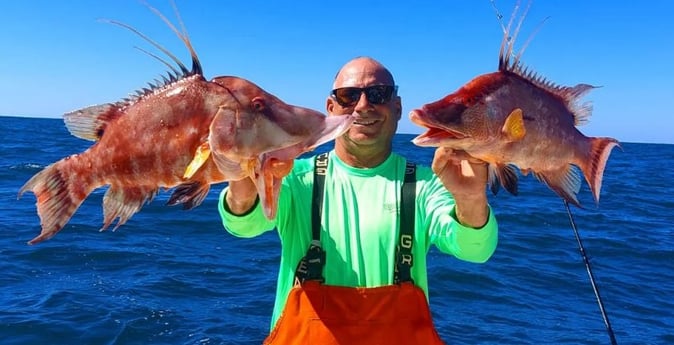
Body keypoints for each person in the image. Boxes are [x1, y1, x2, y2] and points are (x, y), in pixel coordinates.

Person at [218, 56, 498, 344]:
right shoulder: (295, 177)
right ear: (331, 108)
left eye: (378, 94)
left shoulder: (426, 183)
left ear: (397, 107)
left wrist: (470, 198)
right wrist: (242, 182)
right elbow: (245, 226)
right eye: (349, 96)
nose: (363, 106)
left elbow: (475, 250)